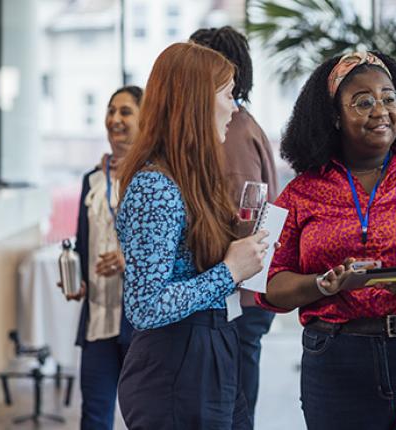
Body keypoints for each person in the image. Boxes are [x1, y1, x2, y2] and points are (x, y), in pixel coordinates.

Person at [256, 51, 396, 430]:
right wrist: (323, 284)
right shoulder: (300, 193)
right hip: (338, 361)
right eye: (363, 102)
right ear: (334, 117)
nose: (381, 110)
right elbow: (267, 283)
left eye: (390, 98)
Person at [115, 42, 268, 429]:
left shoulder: (191, 180)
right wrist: (229, 271)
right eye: (228, 95)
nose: (235, 108)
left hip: (207, 349)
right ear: (196, 102)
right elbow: (145, 307)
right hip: (174, 363)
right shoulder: (156, 186)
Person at [188, 25, 279, 425]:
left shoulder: (231, 132)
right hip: (236, 290)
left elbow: (243, 219)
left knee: (230, 410)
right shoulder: (236, 126)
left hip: (235, 294)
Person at [65, 85, 142, 430]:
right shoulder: (92, 179)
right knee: (93, 416)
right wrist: (76, 276)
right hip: (97, 315)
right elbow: (85, 242)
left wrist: (130, 260)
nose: (115, 119)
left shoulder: (154, 178)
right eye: (111, 111)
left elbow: (172, 248)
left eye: (125, 112)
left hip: (138, 321)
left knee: (143, 415)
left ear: (146, 120)